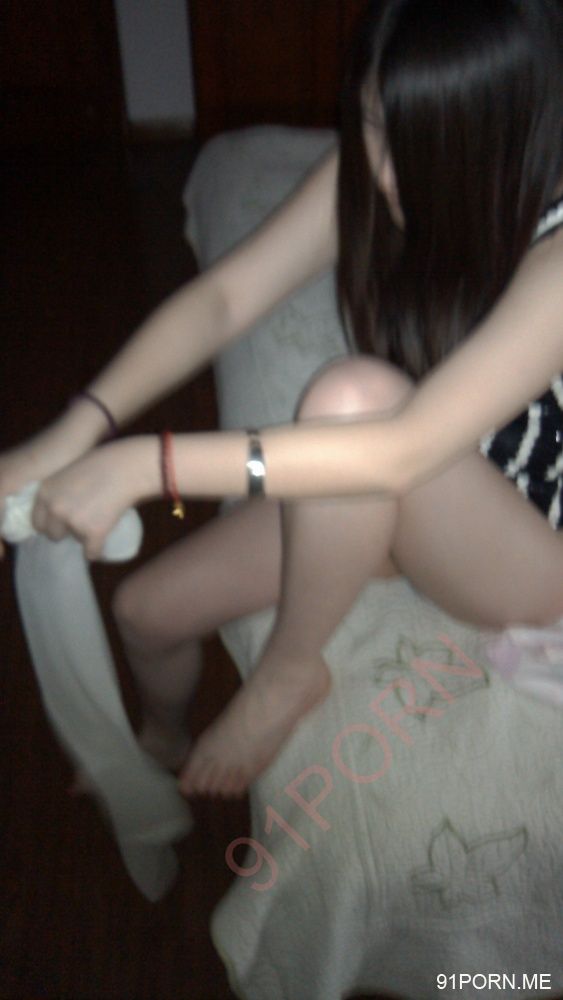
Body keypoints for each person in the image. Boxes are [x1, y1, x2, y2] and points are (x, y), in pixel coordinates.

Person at [2, 0, 563, 799]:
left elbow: (397, 447)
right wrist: (73, 431)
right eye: (376, 123)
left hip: (531, 550)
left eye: (431, 142)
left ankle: (289, 669)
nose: (388, 172)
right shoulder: (371, 170)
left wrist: (147, 466)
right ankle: (159, 744)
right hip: (413, 483)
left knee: (352, 397)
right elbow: (222, 301)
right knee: (145, 610)